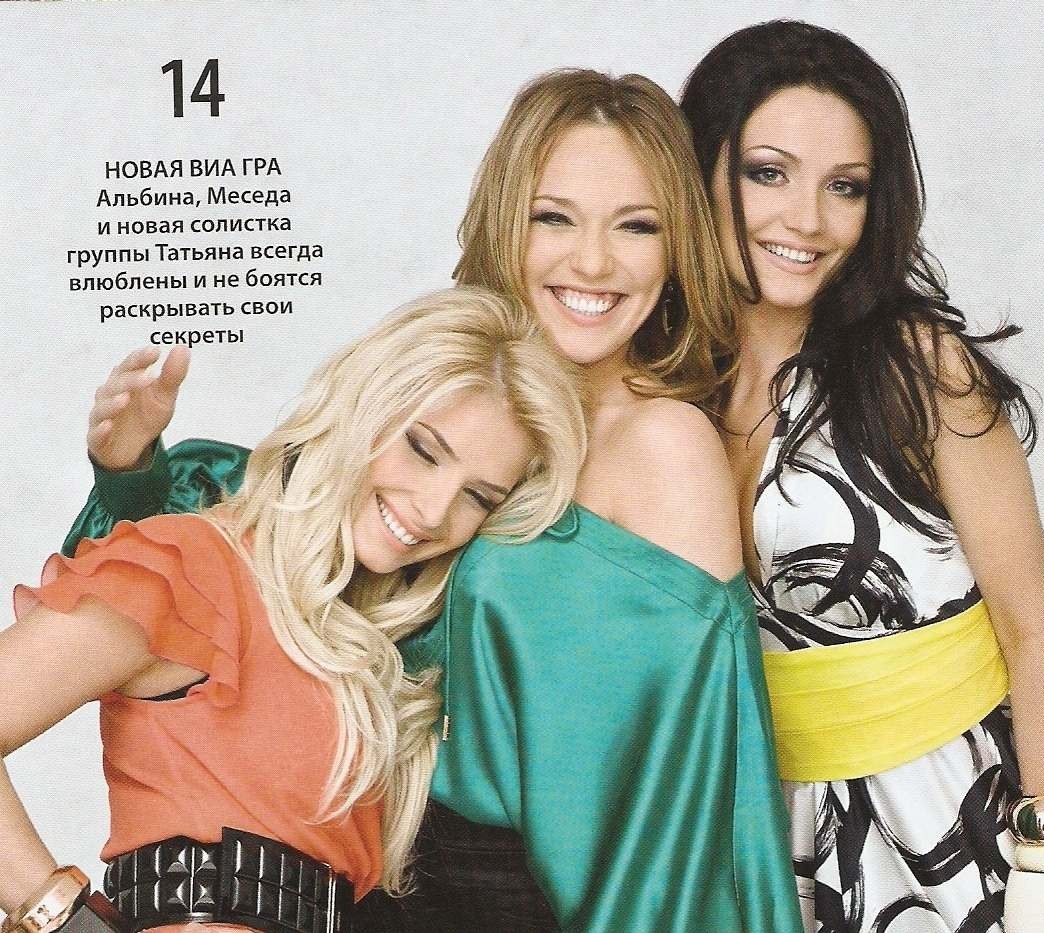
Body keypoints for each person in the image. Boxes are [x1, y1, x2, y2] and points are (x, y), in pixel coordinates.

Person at [60, 69, 803, 933]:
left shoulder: (662, 446)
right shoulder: (457, 393)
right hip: (364, 889)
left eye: (636, 226)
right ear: (503, 222)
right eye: (553, 217)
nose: (593, 261)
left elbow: (677, 794)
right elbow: (256, 547)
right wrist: (129, 474)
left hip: (517, 905)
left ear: (676, 251)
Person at [0, 287, 586, 933]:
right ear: (359, 408)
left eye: (477, 496)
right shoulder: (193, 565)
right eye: (423, 450)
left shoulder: (372, 656)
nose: (433, 510)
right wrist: (59, 917)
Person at [678, 19, 1044, 933]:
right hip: (750, 839)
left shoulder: (916, 369)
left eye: (843, 186)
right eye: (767, 173)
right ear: (697, 171)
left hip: (950, 824)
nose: (806, 220)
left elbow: (1037, 629)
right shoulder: (661, 384)